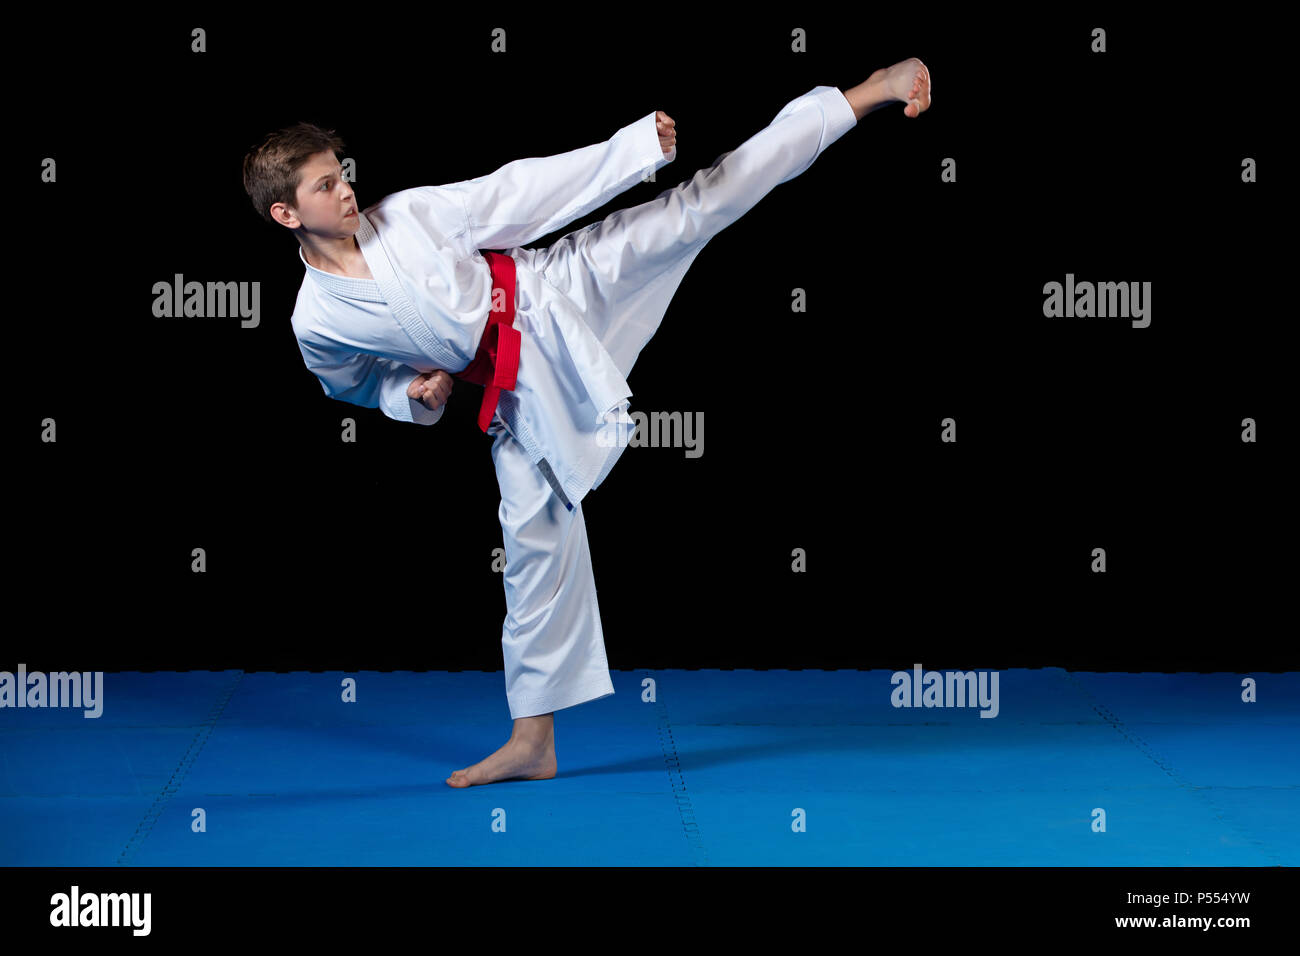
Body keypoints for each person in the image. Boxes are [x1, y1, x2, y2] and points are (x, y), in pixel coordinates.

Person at [241, 58, 931, 788]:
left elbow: (517, 193)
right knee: (533, 541)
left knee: (700, 203)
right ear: (287, 214)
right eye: (325, 186)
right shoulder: (314, 319)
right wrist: (408, 392)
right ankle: (533, 741)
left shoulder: (408, 215)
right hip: (518, 390)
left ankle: (865, 92)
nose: (346, 189)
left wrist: (628, 153)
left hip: (556, 290)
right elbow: (345, 383)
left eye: (341, 172)